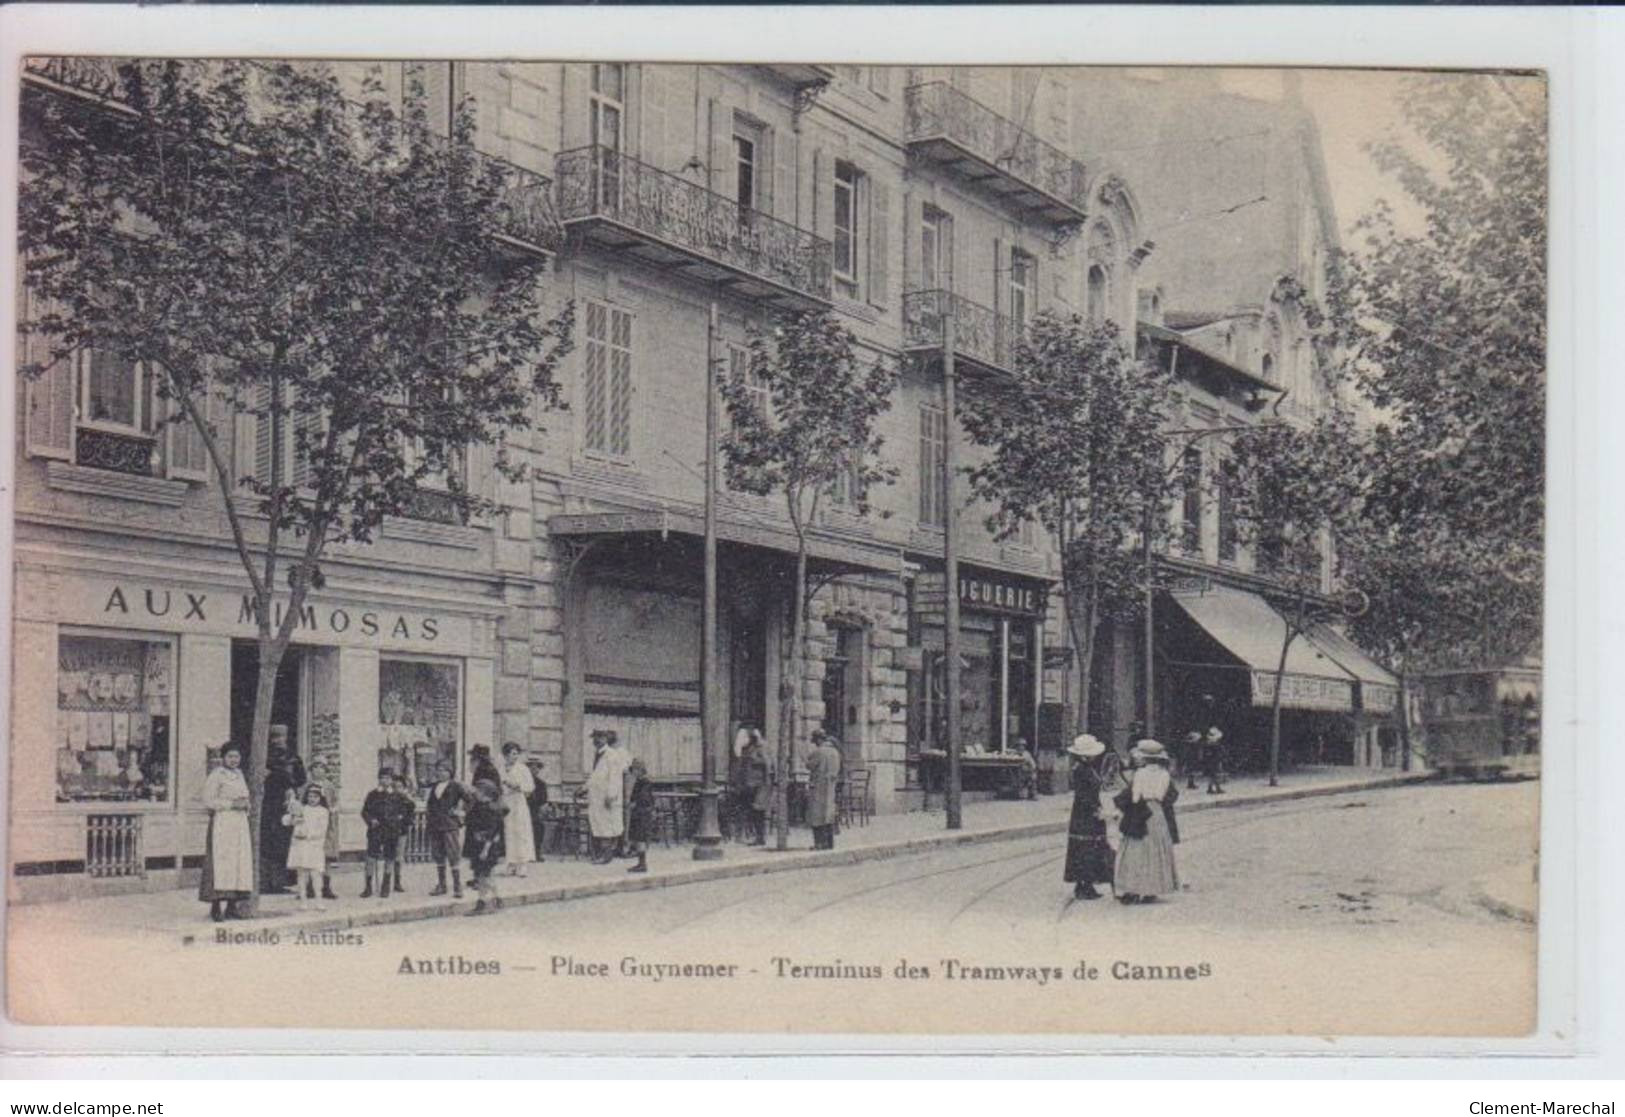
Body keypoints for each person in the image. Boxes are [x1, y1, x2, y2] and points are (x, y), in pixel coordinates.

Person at [1113, 739, 1181, 904]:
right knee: (1157, 848)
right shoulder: (1165, 774)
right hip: (1157, 813)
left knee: (1136, 849)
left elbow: (1135, 797)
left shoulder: (1140, 774)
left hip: (1141, 811)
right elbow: (1167, 796)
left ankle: (1134, 888)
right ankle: (1152, 889)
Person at [199, 744, 253, 922]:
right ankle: (216, 907)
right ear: (223, 758)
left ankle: (232, 906)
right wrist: (230, 805)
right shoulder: (217, 775)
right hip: (223, 822)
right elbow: (208, 800)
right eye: (230, 756)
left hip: (239, 823)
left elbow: (245, 796)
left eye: (236, 757)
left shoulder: (239, 775)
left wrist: (246, 804)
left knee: (238, 862)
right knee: (222, 862)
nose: (234, 760)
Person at [1062, 734, 1114, 901]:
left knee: (1090, 846)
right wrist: (1095, 809)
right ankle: (1083, 885)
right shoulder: (1081, 770)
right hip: (1085, 813)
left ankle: (1086, 883)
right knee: (1086, 847)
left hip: (1087, 811)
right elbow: (1084, 794)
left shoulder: (1087, 768)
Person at [259, 728, 306, 894]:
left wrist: (289, 785)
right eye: (274, 737)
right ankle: (264, 882)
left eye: (280, 736)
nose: (277, 740)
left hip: (285, 803)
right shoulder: (263, 757)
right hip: (267, 803)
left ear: (286, 737)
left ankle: (280, 882)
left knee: (283, 842)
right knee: (265, 842)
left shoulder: (293, 758)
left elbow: (301, 779)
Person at [361, 770, 410, 898]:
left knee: (390, 858)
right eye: (382, 778)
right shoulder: (372, 795)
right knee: (371, 857)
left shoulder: (397, 796)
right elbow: (365, 811)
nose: (385, 781)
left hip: (391, 831)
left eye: (388, 778)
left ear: (391, 780)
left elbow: (406, 810)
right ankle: (368, 887)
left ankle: (385, 886)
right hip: (375, 830)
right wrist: (371, 820)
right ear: (378, 779)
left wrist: (398, 820)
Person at [424, 760, 469, 898]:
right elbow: (430, 805)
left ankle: (457, 886)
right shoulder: (434, 787)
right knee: (438, 856)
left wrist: (460, 812)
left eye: (444, 769)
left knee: (453, 855)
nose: (440, 772)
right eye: (438, 769)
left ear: (450, 772)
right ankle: (442, 885)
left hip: (450, 825)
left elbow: (471, 800)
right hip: (435, 825)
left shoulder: (456, 786)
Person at [463, 778, 507, 916]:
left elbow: (492, 831)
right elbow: (469, 821)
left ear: (485, 793)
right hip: (478, 845)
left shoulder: (491, 810)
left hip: (486, 846)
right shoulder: (479, 806)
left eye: (478, 790)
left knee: (484, 875)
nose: (475, 792)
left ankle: (483, 903)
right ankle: (496, 900)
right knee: (484, 874)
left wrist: (485, 849)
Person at [584, 729, 629, 864]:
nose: (597, 740)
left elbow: (615, 777)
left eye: (600, 737)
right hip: (596, 796)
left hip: (607, 796)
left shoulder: (612, 755)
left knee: (607, 825)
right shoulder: (597, 754)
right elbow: (595, 776)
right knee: (599, 824)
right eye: (595, 738)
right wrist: (584, 787)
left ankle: (606, 855)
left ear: (606, 739)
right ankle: (600, 853)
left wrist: (611, 795)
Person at [283, 785, 330, 912]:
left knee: (315, 874)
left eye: (315, 797)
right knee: (302, 874)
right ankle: (303, 901)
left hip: (314, 845)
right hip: (300, 846)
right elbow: (286, 821)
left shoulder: (323, 811)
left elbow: (322, 830)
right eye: (310, 796)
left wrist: (308, 835)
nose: (312, 799)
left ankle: (319, 901)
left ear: (320, 798)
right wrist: (292, 817)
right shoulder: (302, 809)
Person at [299, 761, 341, 900]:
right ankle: (309, 887)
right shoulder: (307, 786)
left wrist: (333, 810)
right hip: (311, 824)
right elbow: (302, 802)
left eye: (321, 768)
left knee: (326, 855)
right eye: (315, 767)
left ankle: (326, 886)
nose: (318, 770)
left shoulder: (329, 786)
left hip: (327, 825)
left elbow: (335, 802)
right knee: (310, 855)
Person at [499, 742, 537, 876]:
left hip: (519, 802)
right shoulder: (501, 769)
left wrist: (517, 786)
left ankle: (523, 863)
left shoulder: (522, 769)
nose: (514, 757)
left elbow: (530, 787)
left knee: (521, 831)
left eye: (516, 754)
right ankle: (511, 862)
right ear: (505, 755)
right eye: (511, 754)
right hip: (507, 802)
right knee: (509, 832)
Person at [805, 729, 842, 851]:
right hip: (830, 787)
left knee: (816, 815)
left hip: (818, 787)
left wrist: (806, 758)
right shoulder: (835, 752)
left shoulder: (818, 752)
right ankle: (829, 843)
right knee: (828, 815)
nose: (815, 743)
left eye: (815, 740)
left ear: (819, 739)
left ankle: (819, 844)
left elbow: (810, 766)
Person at [736, 729, 770, 845]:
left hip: (759, 785)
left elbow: (767, 764)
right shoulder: (749, 749)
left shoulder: (761, 748)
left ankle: (760, 837)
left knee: (758, 811)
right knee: (751, 811)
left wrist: (754, 760)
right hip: (749, 784)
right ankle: (755, 836)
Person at [388, 774, 418, 893]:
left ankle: (397, 882)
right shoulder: (388, 799)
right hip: (389, 831)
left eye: (400, 786)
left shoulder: (407, 801)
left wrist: (404, 820)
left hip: (401, 831)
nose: (397, 789)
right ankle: (387, 881)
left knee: (398, 857)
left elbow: (410, 814)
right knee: (389, 856)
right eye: (394, 786)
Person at [625, 757, 655, 874]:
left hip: (642, 814)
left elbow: (644, 799)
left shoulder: (645, 783)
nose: (633, 773)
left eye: (635, 770)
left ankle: (642, 864)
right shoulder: (640, 781)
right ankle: (640, 863)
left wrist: (633, 804)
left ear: (640, 770)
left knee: (640, 839)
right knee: (638, 839)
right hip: (639, 814)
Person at [524, 757, 549, 863]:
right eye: (531, 767)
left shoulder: (541, 784)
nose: (534, 769)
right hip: (523, 810)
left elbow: (544, 801)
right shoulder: (523, 782)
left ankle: (536, 852)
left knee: (538, 825)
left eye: (537, 767)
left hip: (535, 811)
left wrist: (541, 810)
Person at [1203, 726, 1226, 793]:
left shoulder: (1208, 744)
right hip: (1215, 761)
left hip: (1210, 761)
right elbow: (1218, 754)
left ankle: (1212, 788)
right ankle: (1216, 788)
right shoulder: (1215, 745)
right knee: (1216, 775)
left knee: (1212, 775)